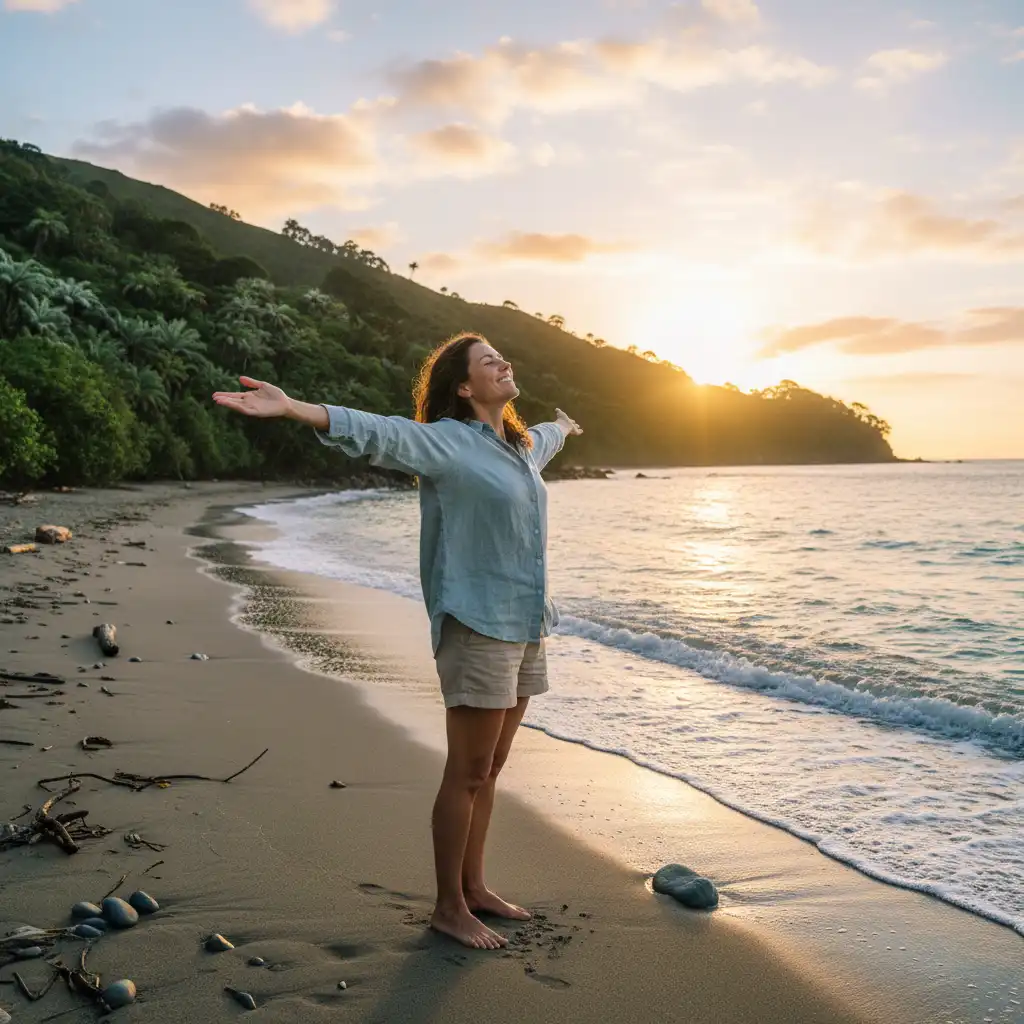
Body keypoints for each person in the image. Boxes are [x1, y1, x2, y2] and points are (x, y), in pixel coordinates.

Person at [212, 331, 582, 951]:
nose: (503, 361)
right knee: (466, 771)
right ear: (464, 386)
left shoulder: (519, 449)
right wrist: (296, 408)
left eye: (502, 354)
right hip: (477, 624)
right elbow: (378, 430)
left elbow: (542, 442)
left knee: (490, 768)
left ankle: (476, 887)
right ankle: (447, 906)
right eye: (489, 359)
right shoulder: (446, 443)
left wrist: (562, 428)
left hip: (526, 623)